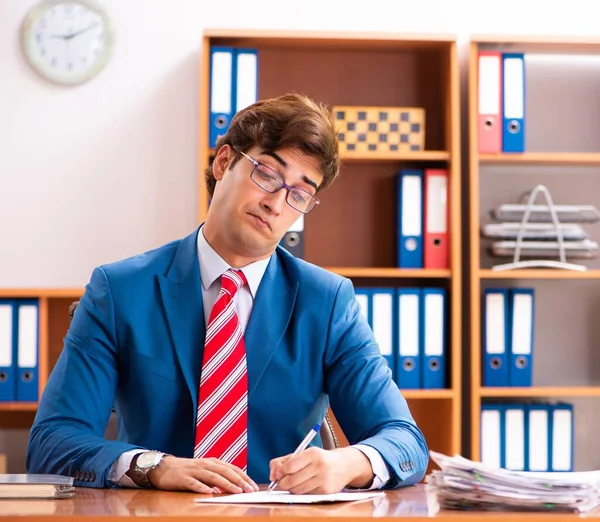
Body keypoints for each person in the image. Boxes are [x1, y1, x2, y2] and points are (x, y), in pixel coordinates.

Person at [26, 93, 429, 495]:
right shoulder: (119, 290)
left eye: (300, 194)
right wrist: (153, 466)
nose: (276, 204)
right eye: (268, 175)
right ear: (223, 162)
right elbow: (52, 441)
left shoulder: (327, 302)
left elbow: (405, 441)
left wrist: (350, 462)